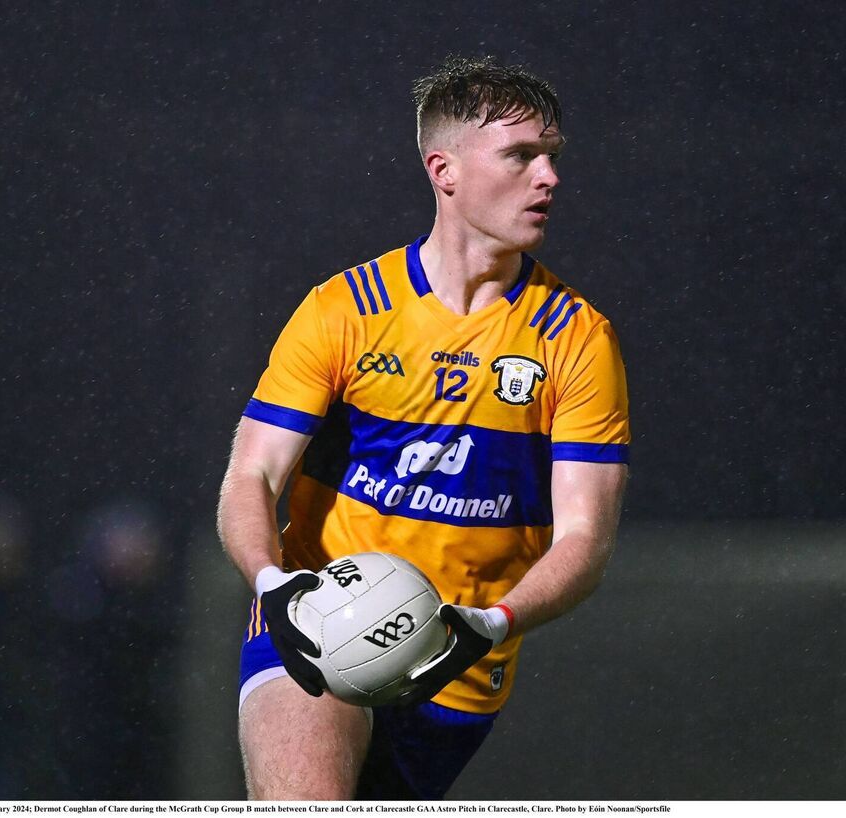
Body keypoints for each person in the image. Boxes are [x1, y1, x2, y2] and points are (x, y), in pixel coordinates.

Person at [217, 55, 630, 800]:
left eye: (552, 157)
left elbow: (585, 541)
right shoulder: (343, 309)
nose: (550, 179)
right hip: (318, 623)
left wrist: (495, 622)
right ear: (444, 169)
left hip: (463, 665)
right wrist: (274, 586)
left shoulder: (577, 340)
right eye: (522, 156)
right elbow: (252, 475)